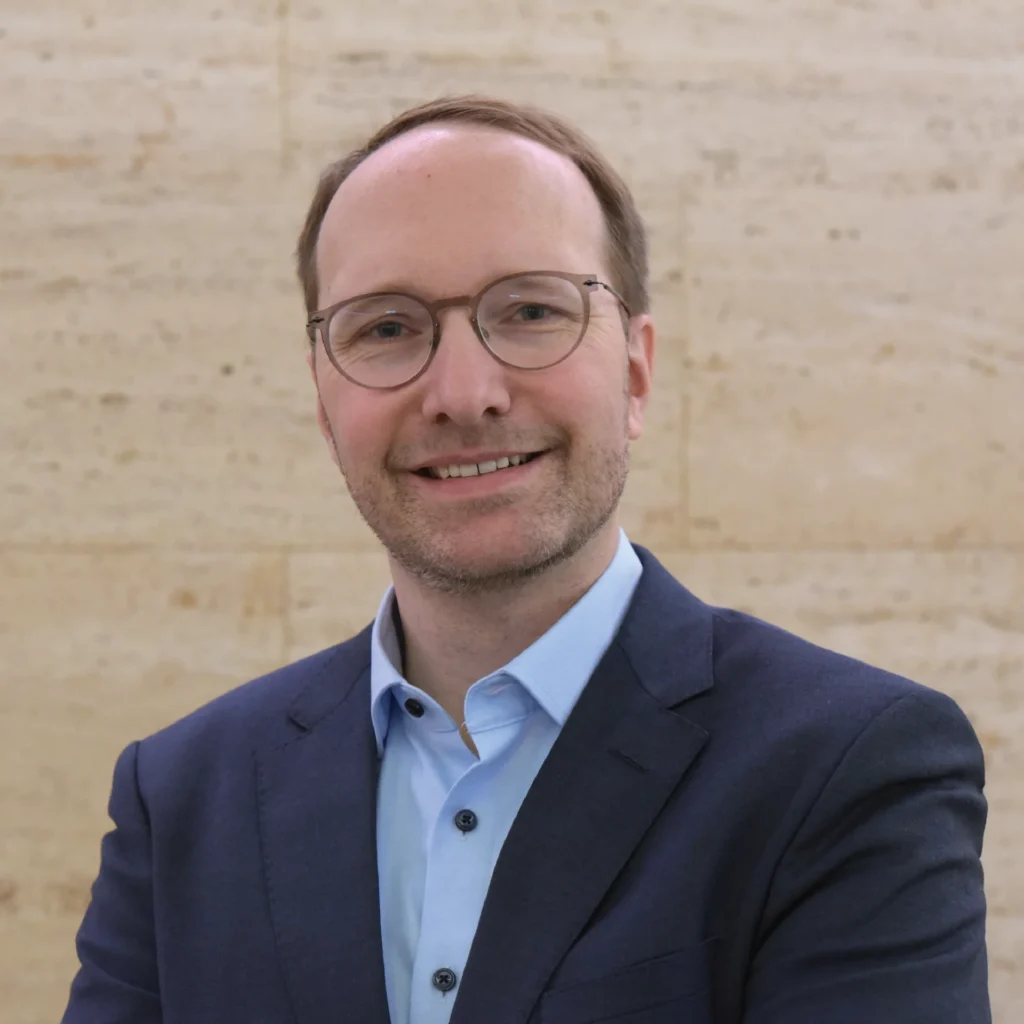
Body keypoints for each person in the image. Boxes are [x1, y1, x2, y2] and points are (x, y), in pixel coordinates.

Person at [61, 95, 990, 1024]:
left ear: (635, 372)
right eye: (386, 328)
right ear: (323, 400)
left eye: (532, 311)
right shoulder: (182, 797)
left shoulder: (845, 767)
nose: (464, 394)